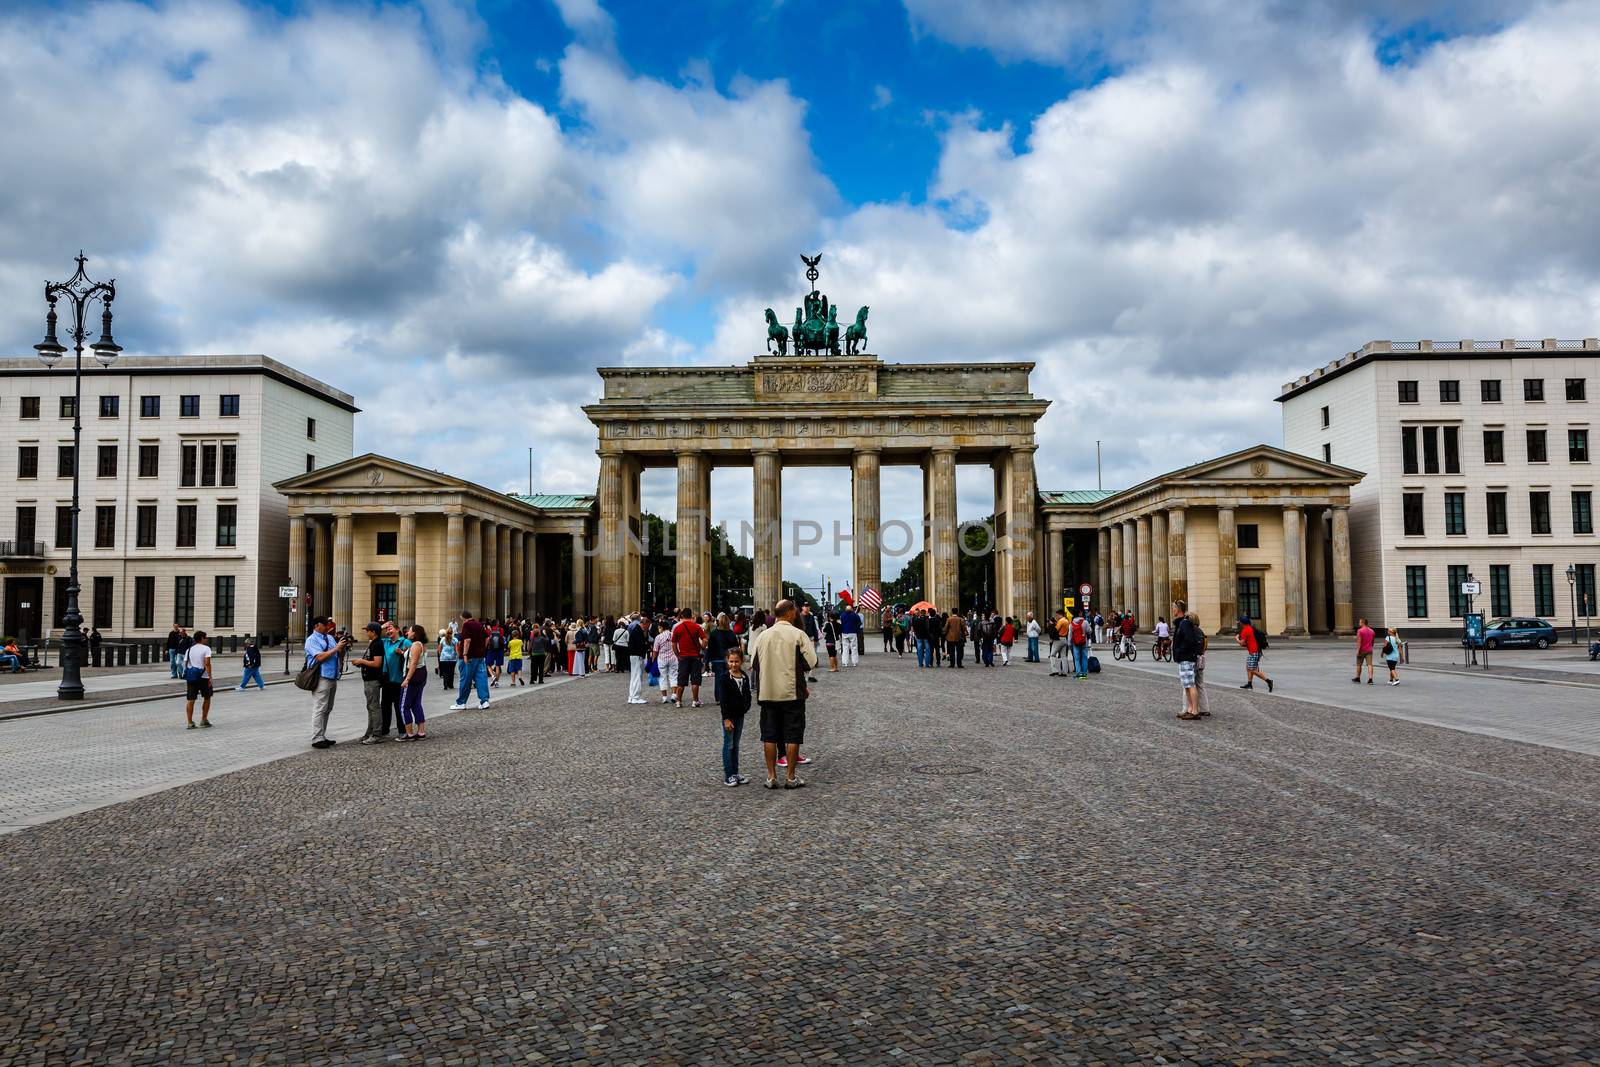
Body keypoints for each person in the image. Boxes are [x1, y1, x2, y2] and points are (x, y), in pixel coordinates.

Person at [750, 599, 817, 790]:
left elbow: (754, 663)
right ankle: (791, 777)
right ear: (789, 612)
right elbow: (811, 661)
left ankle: (771, 777)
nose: (796, 613)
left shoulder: (763, 636)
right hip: (792, 692)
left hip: (767, 692)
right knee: (793, 735)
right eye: (794, 611)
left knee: (769, 735)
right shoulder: (798, 634)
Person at [305, 616, 349, 749]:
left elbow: (336, 654)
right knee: (320, 707)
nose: (327, 627)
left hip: (332, 676)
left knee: (327, 708)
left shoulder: (329, 638)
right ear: (316, 626)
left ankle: (322, 735)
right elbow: (319, 657)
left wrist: (341, 649)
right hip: (321, 677)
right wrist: (336, 649)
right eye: (324, 625)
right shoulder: (311, 640)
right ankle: (316, 737)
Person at [718, 645, 752, 787]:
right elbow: (723, 700)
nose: (733, 664)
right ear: (727, 661)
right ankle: (729, 774)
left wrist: (746, 707)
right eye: (731, 661)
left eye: (736, 661)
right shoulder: (724, 678)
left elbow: (747, 695)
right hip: (729, 717)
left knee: (736, 745)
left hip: (740, 715)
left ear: (741, 661)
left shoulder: (744, 676)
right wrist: (726, 718)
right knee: (729, 744)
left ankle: (735, 771)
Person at [352, 623, 387, 744]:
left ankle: (376, 734)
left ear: (373, 632)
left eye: (368, 631)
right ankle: (370, 732)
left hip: (373, 680)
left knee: (374, 707)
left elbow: (377, 663)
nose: (366, 633)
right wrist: (361, 663)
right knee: (370, 707)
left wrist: (362, 661)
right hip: (368, 680)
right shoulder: (373, 643)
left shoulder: (377, 644)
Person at [449, 611, 491, 710]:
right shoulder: (479, 624)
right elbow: (487, 637)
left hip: (469, 657)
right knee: (481, 678)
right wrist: (482, 648)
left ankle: (461, 703)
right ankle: (485, 701)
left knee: (465, 679)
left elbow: (467, 640)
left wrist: (464, 654)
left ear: (464, 618)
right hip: (480, 656)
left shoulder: (467, 625)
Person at [1172, 601, 1203, 720]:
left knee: (1190, 684)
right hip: (1184, 658)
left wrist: (1180, 650)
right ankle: (1190, 709)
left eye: (1173, 608)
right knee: (1186, 685)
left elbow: (1189, 640)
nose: (1172, 610)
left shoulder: (1184, 623)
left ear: (1178, 609)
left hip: (1186, 658)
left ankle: (1195, 711)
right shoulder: (1183, 623)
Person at [398, 624, 429, 740]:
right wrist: (403, 653)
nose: (407, 633)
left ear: (415, 633)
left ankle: (409, 733)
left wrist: (407, 679)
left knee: (403, 706)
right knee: (416, 703)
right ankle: (421, 732)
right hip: (421, 675)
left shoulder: (416, 645)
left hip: (413, 676)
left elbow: (413, 664)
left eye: (409, 631)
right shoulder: (420, 645)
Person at [671, 607, 707, 708]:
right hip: (695, 656)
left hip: (683, 657)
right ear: (691, 616)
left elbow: (673, 643)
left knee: (681, 680)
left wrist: (677, 654)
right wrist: (702, 648)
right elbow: (705, 639)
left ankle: (679, 701)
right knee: (695, 680)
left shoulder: (678, 628)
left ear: (681, 616)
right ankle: (695, 701)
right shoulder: (697, 627)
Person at [182, 630, 213, 729]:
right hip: (203, 677)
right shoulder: (206, 649)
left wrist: (187, 673)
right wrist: (210, 677)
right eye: (206, 637)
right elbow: (207, 663)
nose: (206, 639)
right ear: (202, 638)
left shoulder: (189, 649)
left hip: (191, 677)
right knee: (207, 697)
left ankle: (190, 722)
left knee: (191, 699)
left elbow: (185, 663)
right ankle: (204, 719)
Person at [1236, 615, 1273, 692]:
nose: (1239, 624)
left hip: (1254, 652)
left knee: (1252, 669)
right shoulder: (1251, 628)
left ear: (1242, 623)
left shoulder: (1245, 630)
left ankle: (1268, 681)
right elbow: (1248, 642)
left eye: (1240, 622)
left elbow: (1242, 644)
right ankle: (1249, 684)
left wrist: (1236, 639)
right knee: (1248, 667)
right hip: (1256, 651)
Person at [653, 619, 677, 704]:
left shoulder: (658, 637)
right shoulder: (673, 635)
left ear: (661, 628)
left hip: (662, 658)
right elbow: (677, 646)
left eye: (659, 627)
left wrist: (653, 659)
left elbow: (655, 650)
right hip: (673, 658)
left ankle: (664, 697)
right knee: (673, 676)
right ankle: (674, 695)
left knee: (662, 677)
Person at [1352, 618, 1376, 685]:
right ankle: (1370, 679)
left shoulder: (1360, 631)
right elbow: (1373, 641)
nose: (1359, 624)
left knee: (1359, 664)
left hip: (1362, 650)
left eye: (1360, 622)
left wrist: (1358, 651)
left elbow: (1359, 641)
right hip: (1369, 650)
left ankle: (1358, 678)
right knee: (1370, 664)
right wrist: (1371, 647)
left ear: (1363, 623)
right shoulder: (1372, 631)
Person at [1070, 611, 1091, 679]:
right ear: (1079, 613)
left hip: (1075, 643)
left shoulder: (1072, 623)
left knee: (1077, 659)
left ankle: (1079, 673)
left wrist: (1069, 644)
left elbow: (1070, 635)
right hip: (1084, 642)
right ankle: (1084, 674)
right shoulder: (1085, 622)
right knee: (1084, 657)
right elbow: (1089, 631)